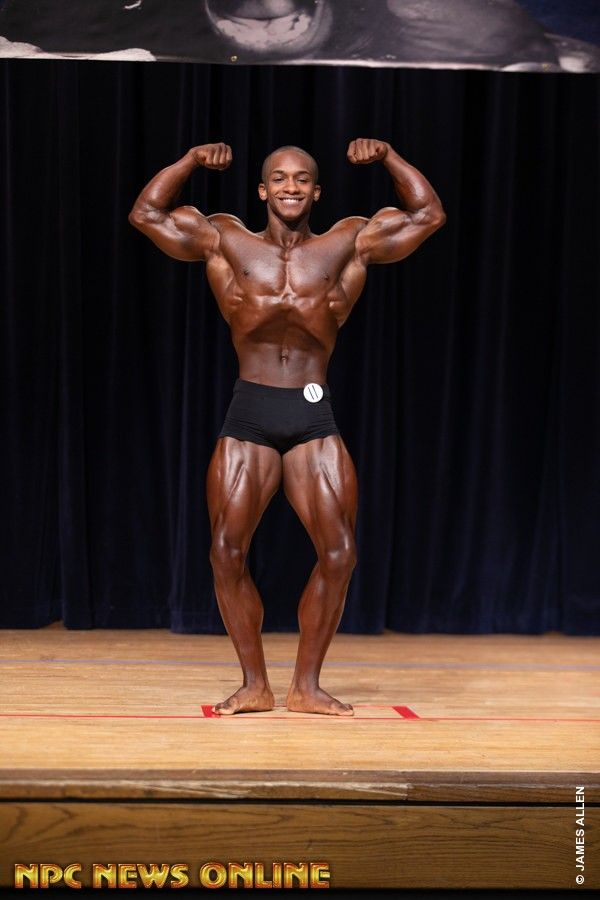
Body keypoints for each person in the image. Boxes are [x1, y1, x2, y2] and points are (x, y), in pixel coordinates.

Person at [129, 139, 445, 715]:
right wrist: (191, 161)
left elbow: (428, 215)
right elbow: (146, 214)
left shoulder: (347, 241)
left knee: (340, 553)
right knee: (225, 551)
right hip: (249, 412)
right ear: (262, 190)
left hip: (311, 414)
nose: (291, 187)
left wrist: (389, 157)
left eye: (302, 179)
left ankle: (306, 686)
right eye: (279, 178)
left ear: (317, 191)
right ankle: (255, 683)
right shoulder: (226, 239)